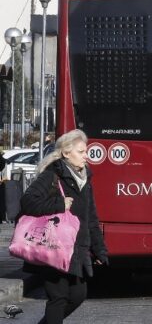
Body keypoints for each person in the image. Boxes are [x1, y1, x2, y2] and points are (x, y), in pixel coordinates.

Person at [19, 129, 108, 324]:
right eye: (81, 152)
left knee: (78, 295)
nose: (86, 156)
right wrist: (59, 204)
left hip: (77, 250)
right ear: (66, 153)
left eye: (86, 151)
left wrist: (99, 250)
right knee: (58, 298)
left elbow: (91, 217)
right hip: (54, 247)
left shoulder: (84, 179)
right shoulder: (52, 175)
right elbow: (27, 201)